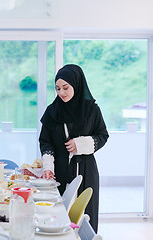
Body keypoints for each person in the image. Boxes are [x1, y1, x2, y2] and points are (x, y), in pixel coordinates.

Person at [39, 64, 108, 233]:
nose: (61, 93)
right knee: (58, 218)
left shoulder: (92, 110)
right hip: (60, 171)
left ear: (76, 85)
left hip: (85, 171)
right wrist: (48, 166)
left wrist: (81, 144)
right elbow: (45, 141)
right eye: (57, 88)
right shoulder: (52, 111)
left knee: (85, 218)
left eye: (65, 88)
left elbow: (103, 135)